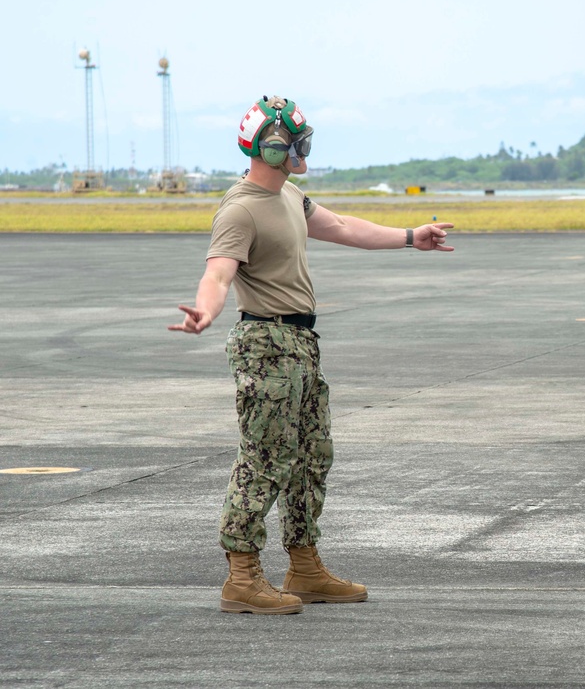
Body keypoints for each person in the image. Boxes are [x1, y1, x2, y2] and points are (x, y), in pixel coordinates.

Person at [169, 95, 454, 614]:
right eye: (295, 142)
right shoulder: (240, 209)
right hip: (266, 346)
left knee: (309, 458)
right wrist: (205, 312)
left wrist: (412, 237)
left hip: (301, 343)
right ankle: (241, 575)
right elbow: (217, 272)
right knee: (264, 459)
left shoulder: (291, 196)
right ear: (271, 148)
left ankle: (304, 567)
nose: (303, 149)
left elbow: (343, 227)